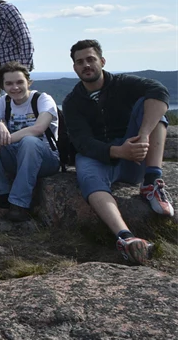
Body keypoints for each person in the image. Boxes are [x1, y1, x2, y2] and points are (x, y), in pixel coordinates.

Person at [64, 40, 171, 264]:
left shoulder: (123, 83)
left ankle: (152, 181)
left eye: (91, 59)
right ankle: (126, 238)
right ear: (74, 68)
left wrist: (143, 136)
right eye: (80, 62)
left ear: (102, 61)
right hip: (103, 157)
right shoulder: (72, 102)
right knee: (86, 172)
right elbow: (83, 142)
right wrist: (118, 151)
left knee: (151, 106)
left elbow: (160, 91)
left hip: (136, 152)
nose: (86, 65)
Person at [0, 62, 59, 222]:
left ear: (29, 82)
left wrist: (0, 142)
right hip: (16, 156)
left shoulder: (42, 99)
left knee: (29, 141)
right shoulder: (3, 102)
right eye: (9, 83)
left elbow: (38, 129)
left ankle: (19, 203)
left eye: (20, 82)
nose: (15, 87)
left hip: (46, 159)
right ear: (3, 86)